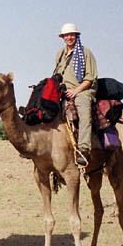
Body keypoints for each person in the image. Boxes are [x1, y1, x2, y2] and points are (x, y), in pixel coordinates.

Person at [53, 23, 98, 166]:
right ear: (63, 37)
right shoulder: (60, 54)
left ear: (77, 36)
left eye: (72, 34)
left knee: (83, 110)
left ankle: (84, 149)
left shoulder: (85, 53)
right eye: (66, 35)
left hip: (83, 90)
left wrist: (76, 91)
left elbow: (90, 79)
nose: (69, 37)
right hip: (64, 90)